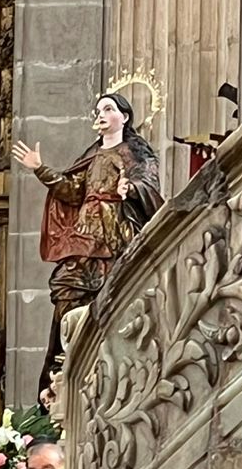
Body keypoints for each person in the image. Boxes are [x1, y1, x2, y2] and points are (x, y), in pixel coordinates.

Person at [13, 92, 162, 391]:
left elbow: (149, 183)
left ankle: (113, 374)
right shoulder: (91, 155)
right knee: (67, 294)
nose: (101, 114)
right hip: (83, 235)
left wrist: (130, 188)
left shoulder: (134, 151)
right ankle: (62, 376)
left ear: (125, 117)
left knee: (114, 298)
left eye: (108, 108)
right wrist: (40, 168)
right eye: (98, 109)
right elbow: (71, 191)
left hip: (116, 233)